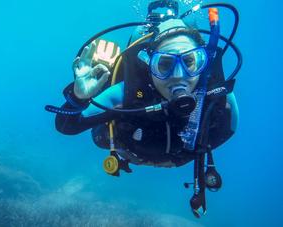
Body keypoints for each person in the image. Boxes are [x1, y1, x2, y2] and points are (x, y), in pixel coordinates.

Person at [46, 0, 242, 217]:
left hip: (178, 156)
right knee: (100, 137)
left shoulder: (216, 98)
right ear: (149, 66)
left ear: (202, 64)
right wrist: (79, 97)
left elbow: (229, 129)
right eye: (165, 65)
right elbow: (65, 126)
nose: (178, 75)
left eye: (189, 62)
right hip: (128, 150)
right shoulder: (127, 93)